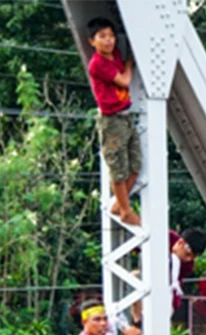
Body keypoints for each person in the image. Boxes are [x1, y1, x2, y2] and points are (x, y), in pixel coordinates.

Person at [85, 17, 139, 225]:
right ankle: (125, 210)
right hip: (112, 120)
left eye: (111, 36)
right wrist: (129, 64)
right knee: (118, 168)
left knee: (136, 164)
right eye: (102, 36)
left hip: (125, 116)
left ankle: (119, 203)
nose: (108, 40)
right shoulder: (98, 64)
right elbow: (124, 81)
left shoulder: (113, 54)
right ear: (92, 41)